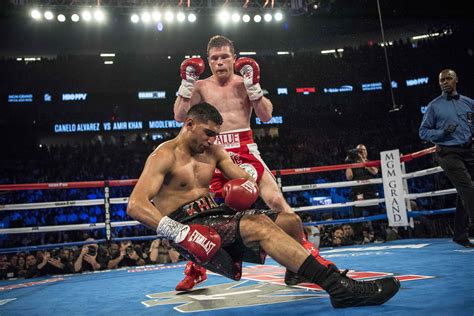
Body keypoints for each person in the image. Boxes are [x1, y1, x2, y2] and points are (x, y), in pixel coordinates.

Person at [127, 103, 400, 308]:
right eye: (208, 133)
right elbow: (135, 205)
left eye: (216, 135)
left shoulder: (214, 151)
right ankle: (338, 287)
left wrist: (245, 185)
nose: (212, 140)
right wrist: (178, 232)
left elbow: (246, 181)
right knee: (259, 225)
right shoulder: (164, 155)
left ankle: (295, 273)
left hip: (216, 215)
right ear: (188, 124)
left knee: (290, 221)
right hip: (187, 225)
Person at [173, 34, 319, 290]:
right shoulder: (201, 86)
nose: (219, 62)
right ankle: (196, 269)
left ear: (234, 58)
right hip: (213, 150)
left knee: (275, 199)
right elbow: (178, 117)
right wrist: (186, 84)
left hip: (245, 145)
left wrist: (254, 88)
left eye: (224, 57)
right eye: (215, 58)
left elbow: (266, 116)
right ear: (208, 61)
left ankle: (305, 256)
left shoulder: (245, 82)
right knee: (203, 209)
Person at [419, 69, 474, 248]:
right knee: (469, 189)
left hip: (469, 150)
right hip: (447, 152)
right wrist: (442, 132)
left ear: (456, 80)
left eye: (449, 78)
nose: (445, 82)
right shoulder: (434, 106)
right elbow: (423, 131)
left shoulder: (469, 103)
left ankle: (460, 234)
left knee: (463, 193)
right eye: (442, 80)